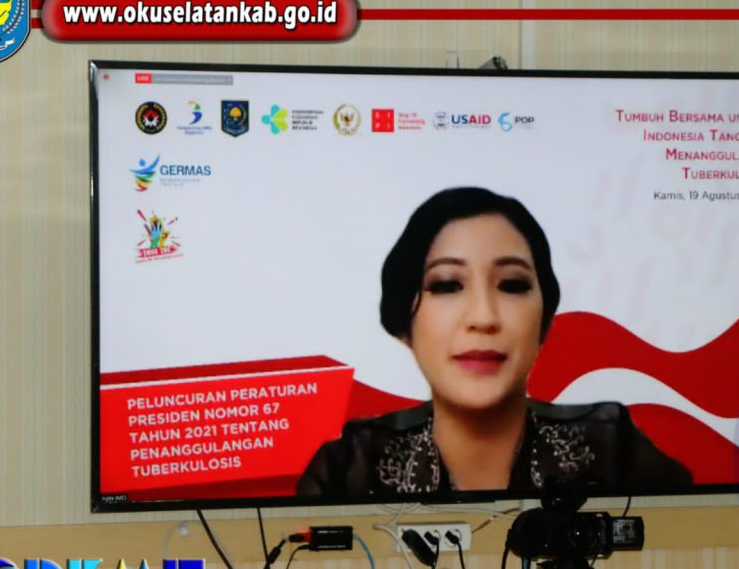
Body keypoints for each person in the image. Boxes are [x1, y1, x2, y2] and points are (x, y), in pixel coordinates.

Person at [296, 187, 691, 497]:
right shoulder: (348, 466)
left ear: (543, 319)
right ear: (404, 322)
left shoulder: (613, 447)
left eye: (512, 285)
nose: (484, 318)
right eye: (447, 285)